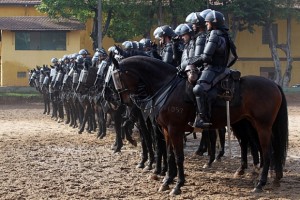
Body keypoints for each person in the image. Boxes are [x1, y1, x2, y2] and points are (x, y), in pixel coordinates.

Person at [189, 10, 233, 128]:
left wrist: (190, 61)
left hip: (214, 68)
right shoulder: (224, 34)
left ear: (213, 23)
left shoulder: (215, 34)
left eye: (207, 23)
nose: (206, 25)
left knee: (198, 89)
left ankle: (202, 118)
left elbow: (206, 57)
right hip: (222, 68)